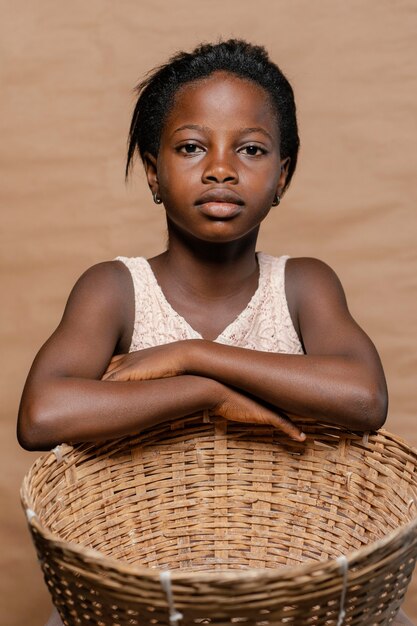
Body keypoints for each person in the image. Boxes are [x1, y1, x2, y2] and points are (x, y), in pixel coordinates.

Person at [18, 40, 413, 626]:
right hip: (141, 583)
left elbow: (364, 398)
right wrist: (208, 393)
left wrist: (192, 355)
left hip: (288, 581)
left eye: (250, 149)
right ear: (154, 172)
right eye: (191, 147)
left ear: (282, 178)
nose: (221, 167)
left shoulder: (303, 284)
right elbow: (42, 416)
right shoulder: (115, 289)